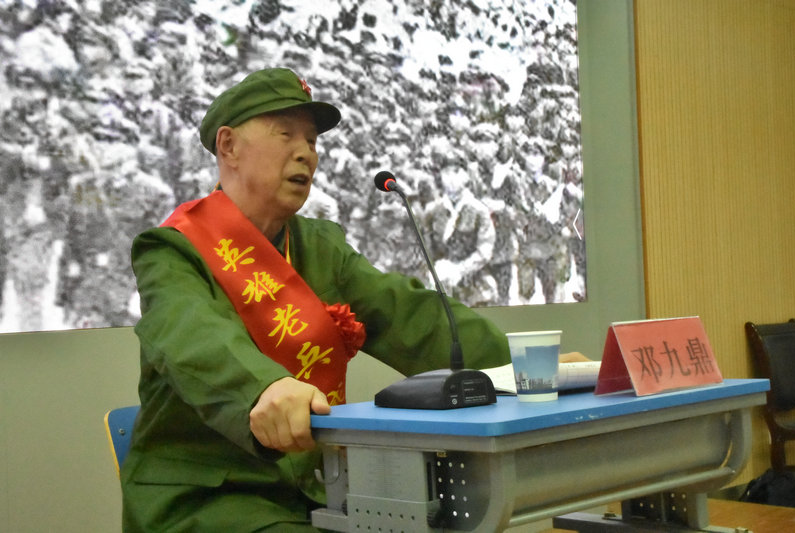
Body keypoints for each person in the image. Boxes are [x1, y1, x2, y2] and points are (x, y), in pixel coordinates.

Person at [121, 67, 520, 532]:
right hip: (209, 498)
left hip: (317, 490)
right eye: (285, 133)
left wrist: (522, 367)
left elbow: (410, 316)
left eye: (311, 140)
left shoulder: (319, 246)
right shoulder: (172, 249)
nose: (305, 153)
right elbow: (191, 335)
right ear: (228, 146)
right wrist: (263, 388)